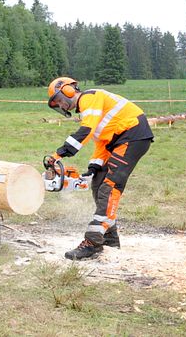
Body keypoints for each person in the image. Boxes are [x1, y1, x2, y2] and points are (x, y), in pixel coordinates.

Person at [44, 77, 153, 260]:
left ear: (69, 90)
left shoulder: (89, 98)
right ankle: (110, 238)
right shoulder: (87, 109)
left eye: (60, 99)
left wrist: (58, 155)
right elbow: (102, 141)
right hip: (118, 139)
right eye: (57, 104)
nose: (61, 105)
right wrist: (94, 165)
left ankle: (92, 242)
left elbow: (86, 132)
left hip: (133, 135)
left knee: (109, 187)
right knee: (98, 184)